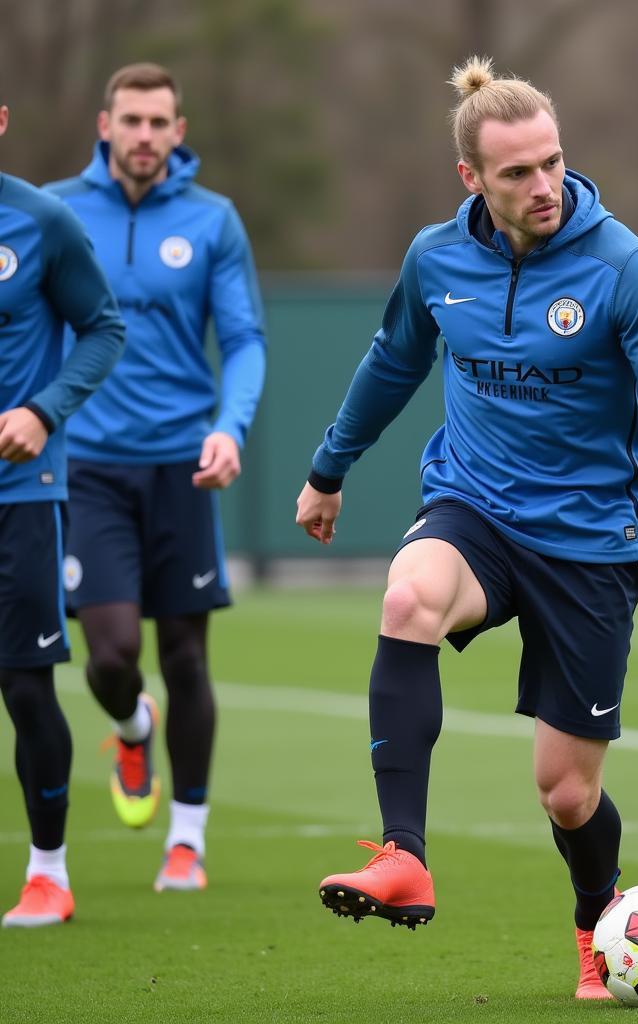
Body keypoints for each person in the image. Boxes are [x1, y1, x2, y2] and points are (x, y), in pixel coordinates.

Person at [295, 57, 638, 1000]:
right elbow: (392, 363)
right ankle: (404, 853)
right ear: (472, 180)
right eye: (520, 172)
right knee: (409, 593)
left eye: (555, 163)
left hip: (587, 542)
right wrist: (330, 467)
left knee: (567, 794)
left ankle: (597, 923)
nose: (546, 186)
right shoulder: (435, 259)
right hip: (476, 509)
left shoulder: (623, 268)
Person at [45, 63, 266, 891]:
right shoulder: (55, 211)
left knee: (185, 654)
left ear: (178, 131)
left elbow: (244, 340)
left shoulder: (213, 221)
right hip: (87, 464)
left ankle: (188, 838)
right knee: (106, 657)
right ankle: (134, 729)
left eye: (158, 122)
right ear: (105, 124)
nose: (144, 135)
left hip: (183, 465)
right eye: (130, 120)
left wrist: (228, 428)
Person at [1, 98, 126, 926]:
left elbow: (102, 330)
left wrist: (44, 410)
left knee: (24, 685)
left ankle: (49, 871)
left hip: (20, 495)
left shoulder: (41, 221)